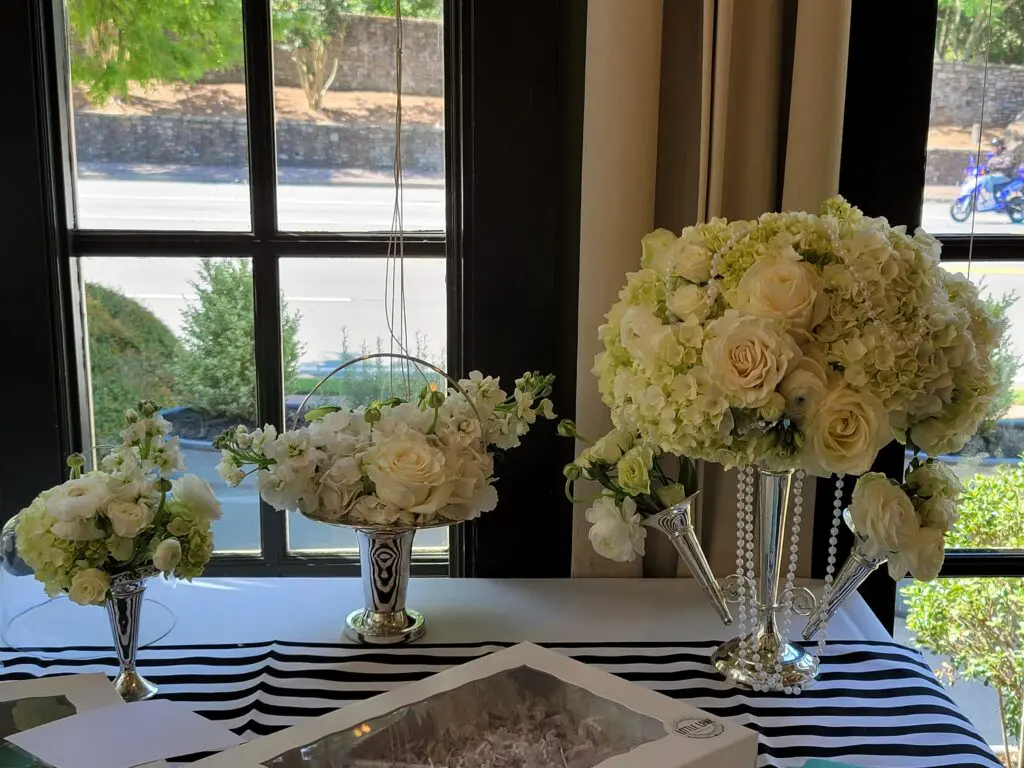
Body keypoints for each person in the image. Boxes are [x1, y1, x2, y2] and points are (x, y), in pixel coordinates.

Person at [979, 137, 1019, 202]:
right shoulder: (994, 156)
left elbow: (1008, 165)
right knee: (981, 179)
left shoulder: (1008, 155)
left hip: (1005, 176)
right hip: (995, 176)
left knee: (988, 178)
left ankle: (993, 199)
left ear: (1000, 147)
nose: (992, 148)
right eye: (992, 146)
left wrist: (996, 166)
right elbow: (989, 167)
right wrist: (985, 170)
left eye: (994, 147)